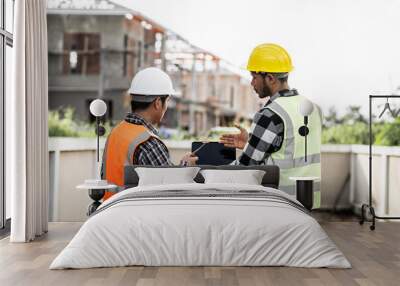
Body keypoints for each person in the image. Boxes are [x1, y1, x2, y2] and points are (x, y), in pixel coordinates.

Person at [220, 43, 322, 208]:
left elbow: (246, 168)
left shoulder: (270, 114)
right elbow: (291, 148)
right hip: (309, 199)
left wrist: (209, 172)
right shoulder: (313, 108)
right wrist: (250, 143)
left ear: (270, 78)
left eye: (254, 77)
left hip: (281, 202)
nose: (252, 83)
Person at [101, 67, 198, 200]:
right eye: (167, 101)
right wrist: (186, 168)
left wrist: (182, 165)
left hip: (110, 211)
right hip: (133, 216)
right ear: (158, 103)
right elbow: (170, 191)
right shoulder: (148, 142)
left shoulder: (116, 132)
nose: (166, 106)